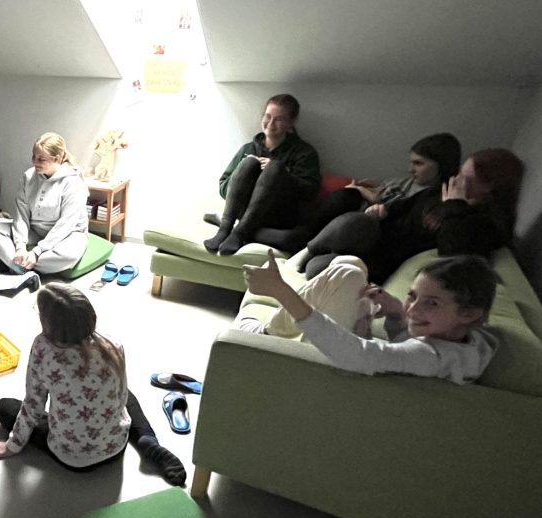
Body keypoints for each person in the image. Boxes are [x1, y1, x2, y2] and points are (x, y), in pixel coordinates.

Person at [0, 283, 187, 486]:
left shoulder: (43, 348)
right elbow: (121, 396)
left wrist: (12, 446)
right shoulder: (112, 344)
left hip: (74, 459)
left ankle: (109, 438)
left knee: (4, 406)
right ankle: (147, 440)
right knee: (125, 392)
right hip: (116, 446)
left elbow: (33, 405)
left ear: (47, 321)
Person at [240, 252, 499, 384]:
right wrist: (396, 312)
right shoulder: (471, 341)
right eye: (412, 296)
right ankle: (276, 325)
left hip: (337, 374)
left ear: (469, 313)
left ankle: (267, 333)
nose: (413, 309)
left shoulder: (431, 356)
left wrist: (281, 291)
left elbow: (359, 356)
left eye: (431, 303)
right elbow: (404, 351)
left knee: (347, 274)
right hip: (359, 368)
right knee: (352, 264)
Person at [298, 133, 463, 281]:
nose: (411, 170)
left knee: (314, 268)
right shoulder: (412, 188)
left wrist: (453, 206)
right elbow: (393, 206)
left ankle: (309, 248)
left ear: (441, 165)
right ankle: (307, 247)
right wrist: (381, 209)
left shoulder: (447, 205)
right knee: (353, 206)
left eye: (418, 163)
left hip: (382, 253)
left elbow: (447, 252)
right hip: (368, 230)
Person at [204, 94, 323, 256]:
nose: (271, 124)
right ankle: (225, 229)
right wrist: (241, 176)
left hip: (278, 216)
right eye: (268, 116)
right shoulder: (248, 149)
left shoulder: (304, 152)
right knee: (249, 163)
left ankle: (240, 231)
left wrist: (282, 174)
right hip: (243, 211)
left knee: (275, 168)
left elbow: (310, 192)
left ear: (291, 122)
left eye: (279, 119)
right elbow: (223, 187)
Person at [0, 133, 90, 274]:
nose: (35, 162)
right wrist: (20, 247)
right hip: (35, 230)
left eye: (41, 159)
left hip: (68, 234)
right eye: (33, 156)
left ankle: (14, 263)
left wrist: (37, 251)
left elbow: (66, 225)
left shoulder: (73, 182)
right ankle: (19, 265)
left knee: (69, 256)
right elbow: (21, 216)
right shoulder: (28, 176)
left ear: (57, 159)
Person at [434, 148, 525, 259]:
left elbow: (451, 255)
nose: (456, 181)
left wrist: (452, 206)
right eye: (460, 174)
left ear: (488, 186)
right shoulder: (464, 207)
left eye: (465, 178)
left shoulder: (486, 225)